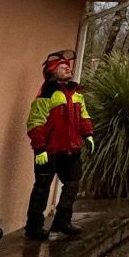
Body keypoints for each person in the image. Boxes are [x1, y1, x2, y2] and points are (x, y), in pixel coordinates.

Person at [25, 49, 94, 242]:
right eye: (63, 67)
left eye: (68, 67)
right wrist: (39, 148)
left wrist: (88, 134)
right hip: (49, 150)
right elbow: (35, 122)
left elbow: (84, 116)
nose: (68, 70)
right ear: (52, 71)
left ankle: (62, 221)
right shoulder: (47, 93)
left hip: (70, 149)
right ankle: (34, 227)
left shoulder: (75, 92)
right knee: (42, 188)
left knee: (72, 184)